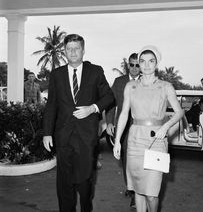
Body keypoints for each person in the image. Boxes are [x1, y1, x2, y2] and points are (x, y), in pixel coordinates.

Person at [42, 34, 114, 212]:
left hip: (86, 137)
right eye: (69, 49)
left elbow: (109, 96)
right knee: (64, 182)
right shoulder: (57, 75)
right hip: (63, 136)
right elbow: (51, 105)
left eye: (77, 48)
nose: (73, 52)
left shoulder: (95, 71)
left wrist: (93, 108)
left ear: (83, 50)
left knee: (84, 181)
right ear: (64, 51)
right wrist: (47, 133)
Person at [113, 45, 183, 212]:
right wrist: (117, 141)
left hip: (156, 140)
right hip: (135, 140)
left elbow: (180, 112)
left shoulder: (166, 86)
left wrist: (165, 127)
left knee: (151, 193)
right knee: (138, 188)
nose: (146, 65)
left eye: (151, 61)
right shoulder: (130, 86)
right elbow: (124, 114)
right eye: (142, 61)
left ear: (156, 63)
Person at [106, 52, 140, 208]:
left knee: (138, 161)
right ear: (128, 66)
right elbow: (111, 103)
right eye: (131, 65)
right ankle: (130, 188)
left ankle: (136, 193)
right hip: (123, 126)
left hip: (141, 128)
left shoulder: (147, 81)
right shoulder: (119, 82)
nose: (134, 68)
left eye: (137, 65)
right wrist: (109, 122)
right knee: (126, 160)